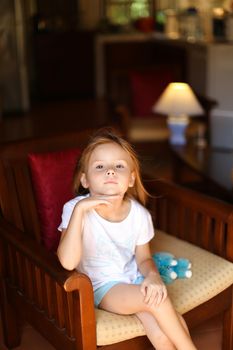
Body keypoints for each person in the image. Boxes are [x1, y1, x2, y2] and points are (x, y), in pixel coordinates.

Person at [57, 128, 197, 350]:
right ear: (85, 179)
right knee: (159, 303)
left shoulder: (139, 214)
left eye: (119, 166)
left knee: (164, 331)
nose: (110, 171)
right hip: (103, 286)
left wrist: (153, 277)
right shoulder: (73, 209)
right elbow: (67, 262)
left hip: (134, 278)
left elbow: (143, 259)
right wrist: (81, 210)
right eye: (100, 166)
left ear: (131, 178)